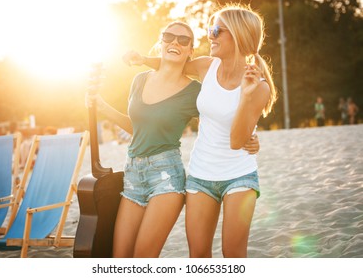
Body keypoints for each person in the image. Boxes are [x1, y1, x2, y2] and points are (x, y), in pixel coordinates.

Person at [87, 21, 262, 258]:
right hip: (133, 174)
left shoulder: (195, 91)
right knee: (120, 258)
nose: (175, 42)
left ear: (191, 50)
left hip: (166, 176)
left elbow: (221, 113)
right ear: (161, 42)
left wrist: (252, 136)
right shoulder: (139, 80)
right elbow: (137, 128)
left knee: (142, 258)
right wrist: (103, 107)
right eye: (169, 37)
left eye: (183, 40)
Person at [124, 3, 277, 258]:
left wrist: (246, 97)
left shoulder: (258, 87)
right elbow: (175, 63)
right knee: (198, 255)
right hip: (199, 175)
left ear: (238, 35)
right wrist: (142, 60)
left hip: (239, 175)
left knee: (232, 254)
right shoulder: (207, 66)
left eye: (217, 30)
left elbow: (237, 141)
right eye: (210, 29)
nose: (210, 35)